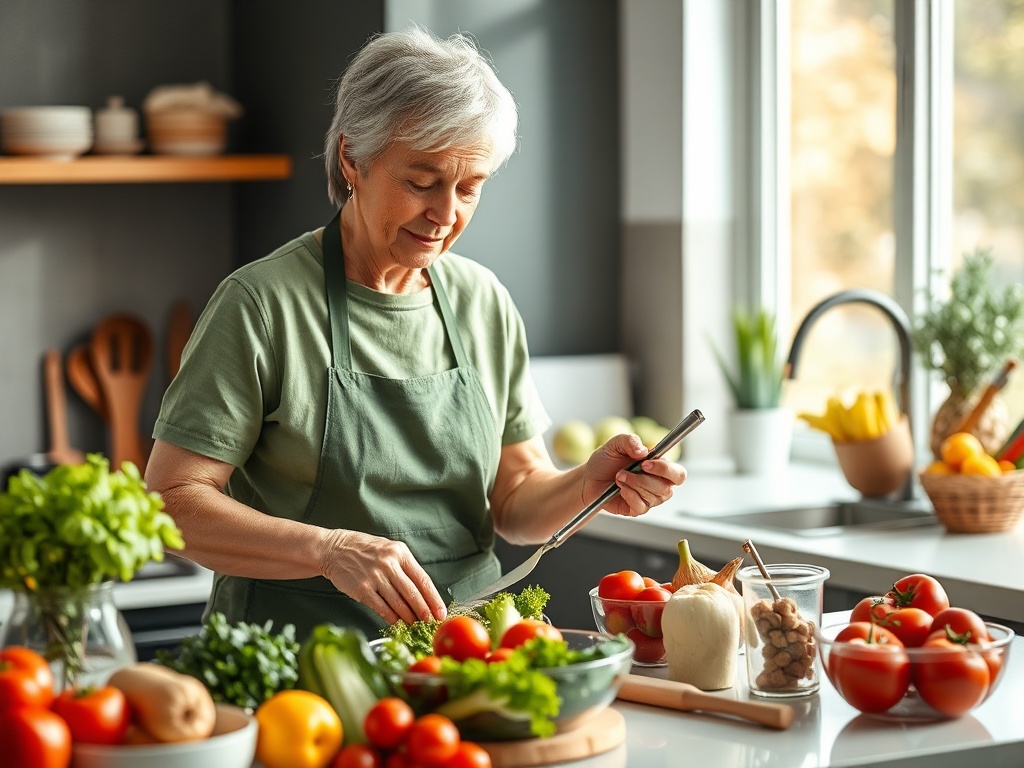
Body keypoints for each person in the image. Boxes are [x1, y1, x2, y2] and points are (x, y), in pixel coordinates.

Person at [144, 26, 688, 641]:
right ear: (353, 159)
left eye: (470, 187)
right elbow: (172, 504)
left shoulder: (483, 302)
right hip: (298, 670)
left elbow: (514, 497)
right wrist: (328, 550)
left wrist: (587, 484)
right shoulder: (261, 306)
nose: (446, 214)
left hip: (464, 657)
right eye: (421, 182)